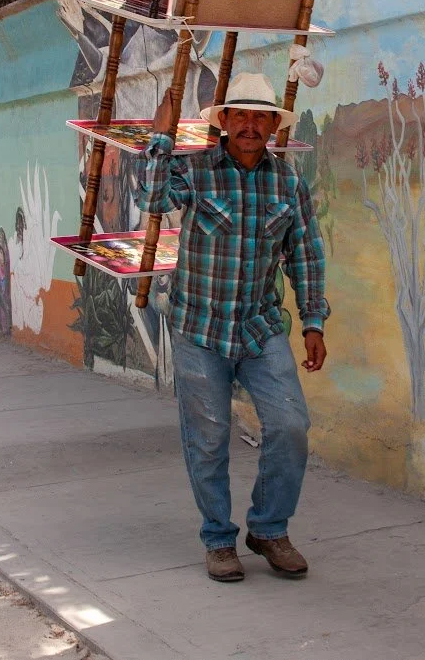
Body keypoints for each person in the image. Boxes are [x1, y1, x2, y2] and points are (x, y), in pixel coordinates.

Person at [136, 72, 330, 583]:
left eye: (259, 116)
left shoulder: (287, 181)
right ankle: (219, 538)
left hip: (259, 328)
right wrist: (161, 139)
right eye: (239, 115)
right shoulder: (196, 171)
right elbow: (151, 201)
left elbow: (305, 253)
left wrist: (313, 319)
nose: (249, 125)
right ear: (222, 122)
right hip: (199, 328)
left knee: (290, 426)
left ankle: (268, 528)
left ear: (272, 125)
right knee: (209, 436)